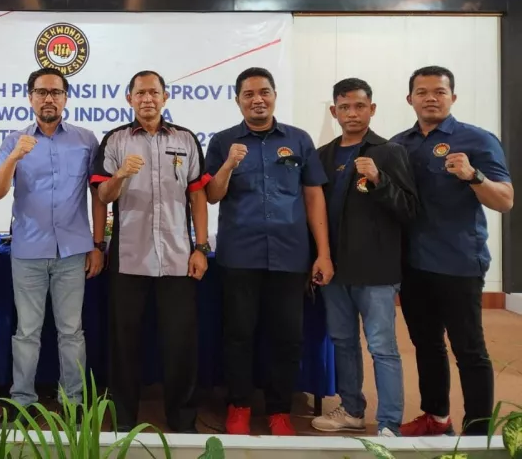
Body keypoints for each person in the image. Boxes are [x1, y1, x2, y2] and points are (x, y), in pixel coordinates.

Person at [205, 67, 331, 436]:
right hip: (239, 255)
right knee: (238, 335)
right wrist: (229, 164)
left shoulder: (298, 139)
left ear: (274, 96)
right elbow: (212, 194)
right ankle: (239, 406)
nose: (257, 100)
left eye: (264, 92)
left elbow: (313, 196)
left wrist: (323, 252)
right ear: (238, 101)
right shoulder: (223, 141)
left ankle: (279, 410)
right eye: (249, 94)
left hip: (290, 255)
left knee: (287, 337)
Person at [393, 66, 514, 437]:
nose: (431, 98)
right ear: (410, 99)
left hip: (458, 262)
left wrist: (473, 176)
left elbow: (505, 200)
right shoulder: (398, 144)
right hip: (412, 264)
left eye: (439, 92)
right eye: (422, 92)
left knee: (469, 349)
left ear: (453, 97)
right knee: (426, 345)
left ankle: (477, 431)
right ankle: (436, 417)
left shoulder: (477, 140)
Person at [90, 70, 210, 433]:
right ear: (129, 99)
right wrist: (121, 175)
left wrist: (200, 247)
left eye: (153, 92)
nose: (147, 99)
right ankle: (124, 418)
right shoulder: (115, 140)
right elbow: (102, 196)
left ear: (165, 97)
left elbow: (197, 196)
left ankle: (183, 419)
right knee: (124, 345)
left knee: (180, 344)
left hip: (177, 258)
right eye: (140, 93)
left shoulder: (185, 139)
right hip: (129, 258)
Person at [0, 68, 106, 412]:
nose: (49, 98)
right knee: (26, 332)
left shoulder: (86, 140)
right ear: (30, 98)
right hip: (28, 250)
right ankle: (22, 400)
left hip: (73, 251)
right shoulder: (14, 140)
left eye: (56, 92)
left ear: (66, 98)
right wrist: (14, 157)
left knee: (71, 331)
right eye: (41, 92)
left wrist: (97, 244)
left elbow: (99, 195)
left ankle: (73, 402)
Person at [311, 78, 418, 437]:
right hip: (334, 270)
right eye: (344, 107)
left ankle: (389, 422)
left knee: (382, 347)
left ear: (372, 109)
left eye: (359, 106)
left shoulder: (389, 152)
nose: (352, 113)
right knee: (342, 342)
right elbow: (315, 211)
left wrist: (379, 179)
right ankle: (352, 409)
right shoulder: (323, 155)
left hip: (376, 271)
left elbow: (410, 210)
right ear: (334, 111)